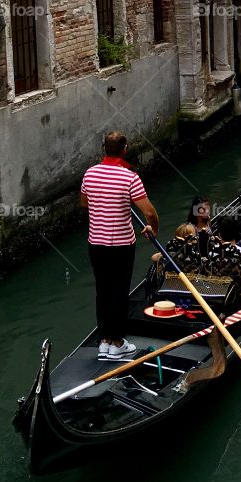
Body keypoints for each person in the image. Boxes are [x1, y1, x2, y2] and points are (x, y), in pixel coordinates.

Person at [80, 131, 159, 362]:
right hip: (122, 245)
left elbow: (84, 203)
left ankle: (104, 341)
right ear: (124, 149)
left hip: (96, 243)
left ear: (104, 149)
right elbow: (149, 212)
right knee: (119, 291)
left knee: (103, 290)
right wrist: (152, 228)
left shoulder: (90, 173)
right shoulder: (129, 178)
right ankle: (117, 343)